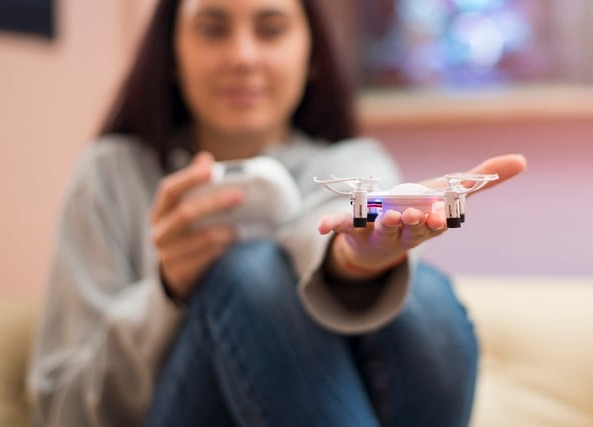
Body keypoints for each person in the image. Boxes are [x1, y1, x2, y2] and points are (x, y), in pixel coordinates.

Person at [26, 0, 526, 425]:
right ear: (172, 55)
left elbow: (332, 222)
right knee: (250, 271)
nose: (243, 57)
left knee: (424, 292)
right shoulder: (110, 176)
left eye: (271, 29)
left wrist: (355, 259)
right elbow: (63, 408)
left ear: (310, 54)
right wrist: (166, 294)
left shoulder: (352, 163)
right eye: (212, 29)